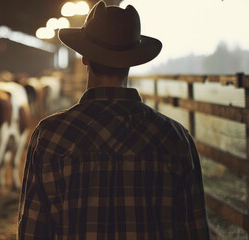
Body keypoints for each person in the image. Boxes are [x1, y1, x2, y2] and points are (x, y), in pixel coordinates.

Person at [17, 1, 210, 239]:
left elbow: (32, 231)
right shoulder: (175, 138)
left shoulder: (50, 136)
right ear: (132, 61)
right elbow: (195, 231)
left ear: (85, 59)